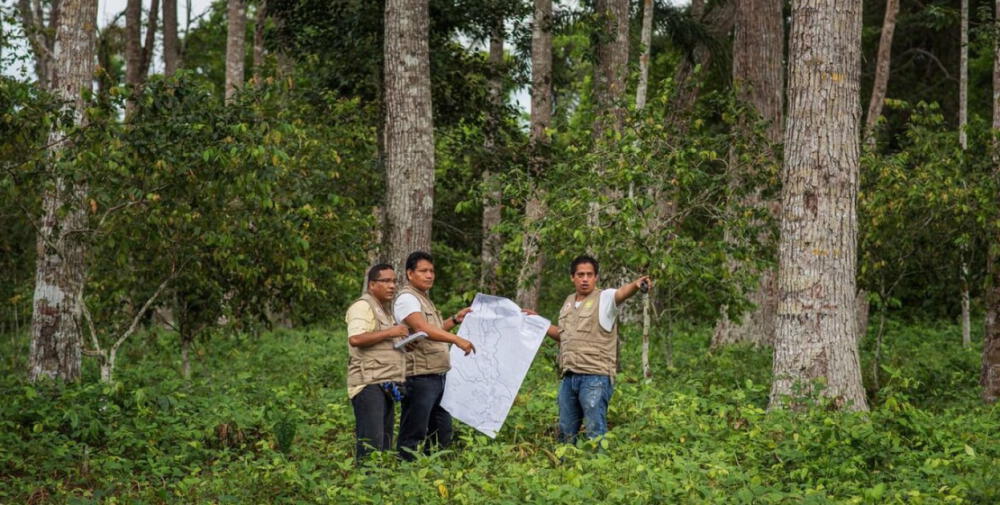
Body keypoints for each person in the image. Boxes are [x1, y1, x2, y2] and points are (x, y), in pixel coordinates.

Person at [542, 254, 650, 443]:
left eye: (589, 275)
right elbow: (563, 336)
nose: (585, 279)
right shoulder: (568, 302)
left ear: (596, 277)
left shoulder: (605, 298)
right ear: (572, 277)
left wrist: (635, 285)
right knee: (566, 431)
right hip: (569, 376)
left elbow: (621, 293)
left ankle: (599, 460)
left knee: (595, 430)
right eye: (580, 275)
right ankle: (565, 461)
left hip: (595, 377)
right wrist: (538, 323)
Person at [394, 250, 476, 460]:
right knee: (414, 429)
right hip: (420, 375)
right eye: (423, 271)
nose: (429, 275)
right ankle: (405, 468)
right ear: (410, 273)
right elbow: (422, 328)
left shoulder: (423, 298)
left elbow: (434, 330)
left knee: (441, 430)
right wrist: (457, 339)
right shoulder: (407, 299)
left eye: (431, 271)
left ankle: (434, 469)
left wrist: (455, 320)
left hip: (437, 374)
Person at [345, 263, 410, 463]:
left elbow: (382, 342)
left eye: (394, 281)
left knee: (384, 443)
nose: (392, 286)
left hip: (385, 383)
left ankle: (380, 480)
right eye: (386, 281)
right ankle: (365, 479)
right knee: (370, 445)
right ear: (372, 284)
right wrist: (391, 332)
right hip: (368, 383)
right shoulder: (363, 306)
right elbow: (356, 338)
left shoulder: (384, 309)